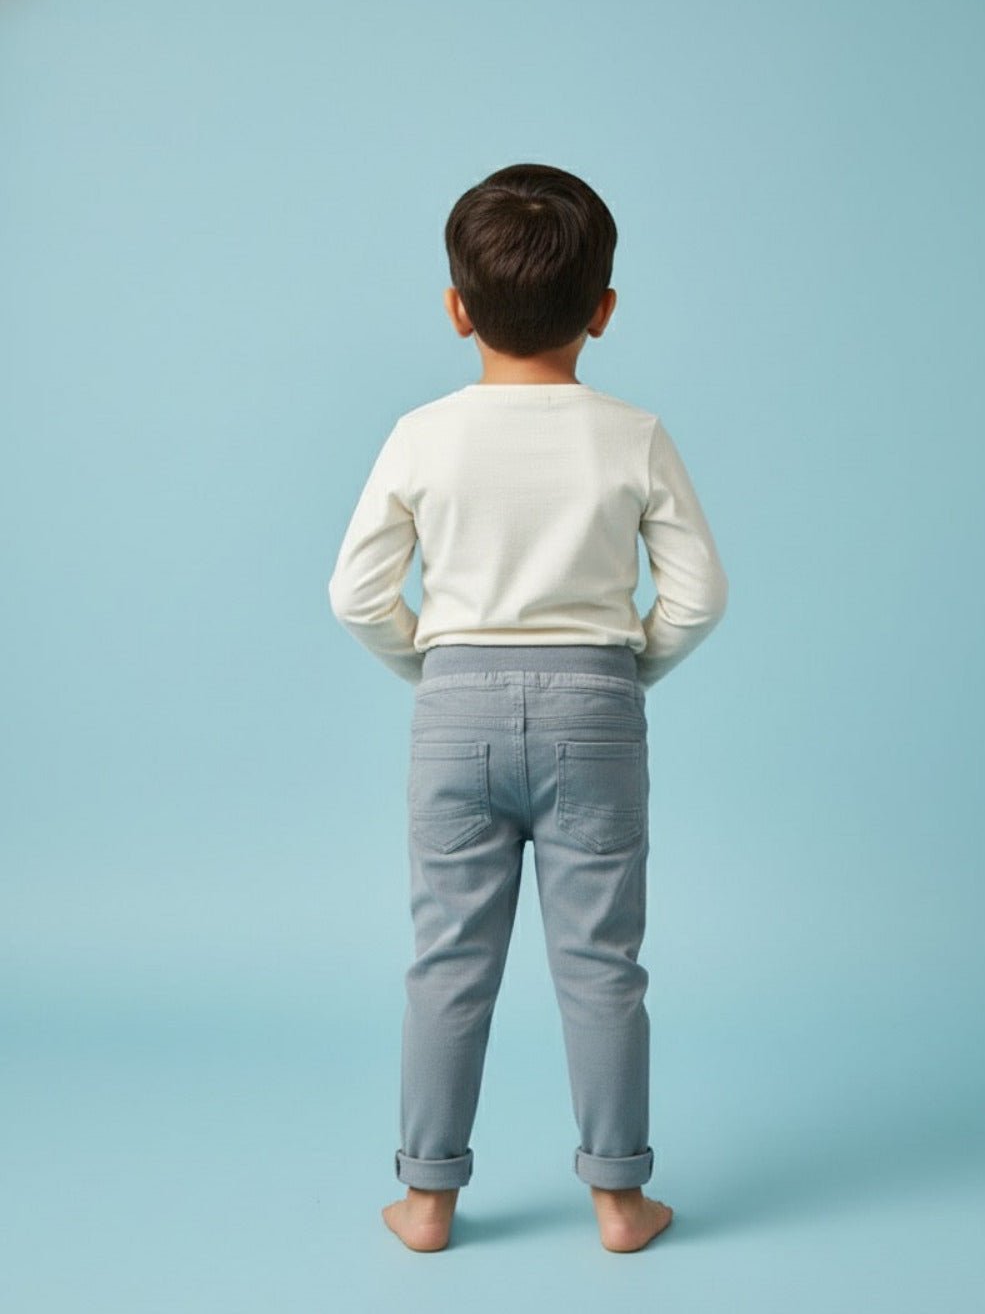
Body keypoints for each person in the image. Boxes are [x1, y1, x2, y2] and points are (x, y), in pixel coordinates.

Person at [327, 163, 729, 1253]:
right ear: (603, 311)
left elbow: (356, 593)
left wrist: (438, 668)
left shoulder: (421, 434)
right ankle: (618, 1199)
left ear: (457, 310)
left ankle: (425, 1200)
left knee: (447, 964)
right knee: (603, 966)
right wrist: (625, 668)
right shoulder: (632, 434)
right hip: (596, 706)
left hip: (454, 708)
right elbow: (699, 595)